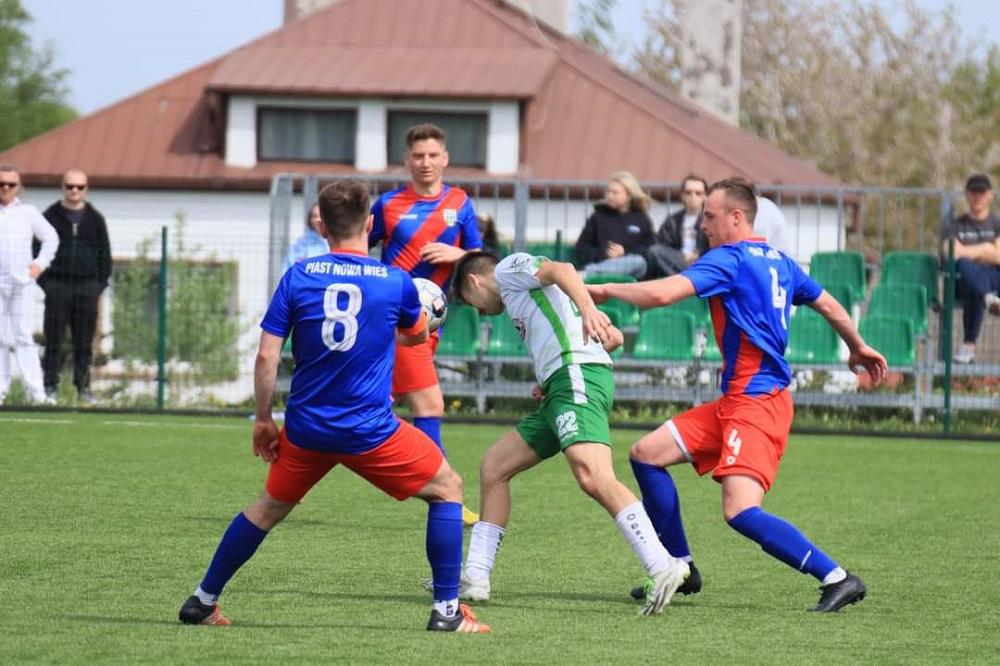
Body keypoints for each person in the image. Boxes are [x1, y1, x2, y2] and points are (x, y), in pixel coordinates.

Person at [178, 179, 491, 633]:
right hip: (369, 430)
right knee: (447, 487)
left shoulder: (298, 275)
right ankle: (447, 612)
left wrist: (264, 420)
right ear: (369, 223)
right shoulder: (395, 282)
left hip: (306, 429)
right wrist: (422, 314)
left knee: (266, 508)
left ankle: (203, 600)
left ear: (322, 226)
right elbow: (416, 335)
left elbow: (267, 356)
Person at [588, 179, 888, 613]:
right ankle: (681, 566)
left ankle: (837, 576)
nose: (702, 224)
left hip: (757, 404)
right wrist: (857, 345)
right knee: (646, 453)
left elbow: (661, 293)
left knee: (740, 510)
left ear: (736, 217)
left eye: (709, 216)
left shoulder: (728, 259)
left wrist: (599, 290)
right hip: (737, 400)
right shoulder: (781, 262)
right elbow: (828, 304)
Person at [448, 250, 691, 616]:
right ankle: (476, 578)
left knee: (593, 476)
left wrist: (588, 314)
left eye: (471, 303)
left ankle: (663, 564)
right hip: (561, 385)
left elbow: (562, 269)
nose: (480, 312)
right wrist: (550, 374)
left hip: (575, 377)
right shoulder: (526, 295)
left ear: (473, 282)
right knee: (494, 467)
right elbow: (615, 339)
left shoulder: (508, 269)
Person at [369, 123, 483, 526]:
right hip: (394, 320)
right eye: (418, 156)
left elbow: (480, 257)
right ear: (407, 161)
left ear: (445, 158)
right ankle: (444, 491)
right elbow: (356, 247)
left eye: (433, 155)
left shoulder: (460, 202)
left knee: (375, 403)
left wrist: (456, 255)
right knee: (428, 405)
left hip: (433, 322)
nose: (426, 162)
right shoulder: (386, 205)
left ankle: (305, 445)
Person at [39, 169, 112, 404]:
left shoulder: (96, 219)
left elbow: (105, 256)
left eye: (79, 187)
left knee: (84, 342)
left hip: (86, 289)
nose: (74, 191)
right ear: (63, 187)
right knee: (53, 340)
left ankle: (83, 387)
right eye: (70, 186)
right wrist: (47, 284)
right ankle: (49, 386)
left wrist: (97, 286)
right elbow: (35, 252)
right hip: (57, 286)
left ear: (86, 189)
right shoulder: (49, 217)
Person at [0, 164, 59, 405]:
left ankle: (36, 393)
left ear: (18, 187)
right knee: (0, 339)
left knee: (24, 337)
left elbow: (51, 238)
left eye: (11, 184)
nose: (5, 188)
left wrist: (39, 264)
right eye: (1, 184)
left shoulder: (28, 213)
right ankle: (1, 391)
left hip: (22, 284)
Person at [942, 173, 1000, 364]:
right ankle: (987, 297)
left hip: (993, 278)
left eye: (981, 192)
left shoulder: (997, 224)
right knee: (965, 267)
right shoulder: (955, 225)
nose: (977, 196)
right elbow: (950, 252)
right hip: (965, 280)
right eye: (973, 192)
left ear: (990, 195)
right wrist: (986, 249)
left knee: (977, 282)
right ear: (967, 195)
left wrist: (967, 250)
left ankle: (969, 346)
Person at [575, 171, 655, 280]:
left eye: (615, 192)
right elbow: (582, 247)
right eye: (608, 191)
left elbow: (649, 249)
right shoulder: (598, 216)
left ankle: (587, 273)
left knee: (638, 261)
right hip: (604, 263)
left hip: (633, 270)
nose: (610, 196)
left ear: (629, 195)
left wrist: (624, 252)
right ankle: (595, 272)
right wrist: (604, 254)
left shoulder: (642, 219)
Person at [645, 174, 709, 279]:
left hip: (702, 262)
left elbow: (717, 246)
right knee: (654, 250)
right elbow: (661, 245)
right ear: (682, 195)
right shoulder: (673, 220)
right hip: (679, 261)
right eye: (688, 192)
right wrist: (681, 256)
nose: (693, 196)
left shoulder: (711, 220)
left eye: (698, 193)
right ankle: (684, 280)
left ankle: (682, 280)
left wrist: (699, 255)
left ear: (705, 196)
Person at [282, 202, 328, 272]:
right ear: (310, 219)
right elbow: (288, 268)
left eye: (321, 216)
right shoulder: (301, 244)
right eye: (315, 216)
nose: (318, 220)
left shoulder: (335, 241)